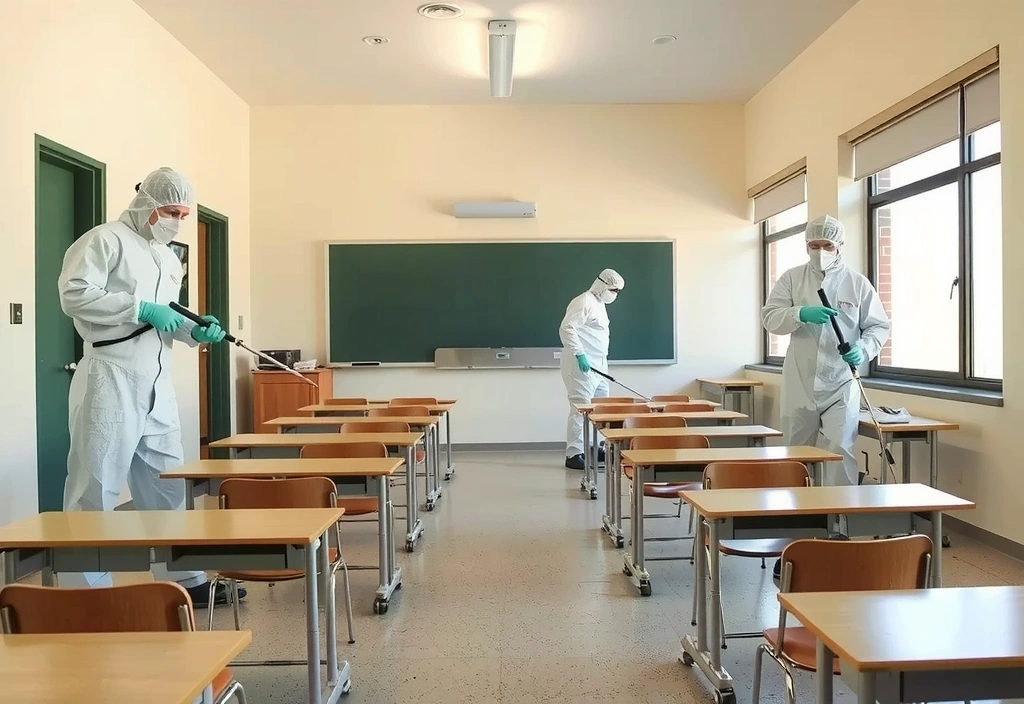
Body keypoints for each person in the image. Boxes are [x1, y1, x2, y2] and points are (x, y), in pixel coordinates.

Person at [57, 167, 244, 608]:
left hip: (157, 382)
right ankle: (85, 594)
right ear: (145, 204)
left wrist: (194, 331)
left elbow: (168, 315)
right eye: (170, 210)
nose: (176, 220)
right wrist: (139, 306)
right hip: (110, 376)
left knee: (166, 484)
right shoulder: (105, 240)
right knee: (95, 486)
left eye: (182, 213)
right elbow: (75, 294)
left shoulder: (166, 256)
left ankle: (185, 579)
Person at [762, 214, 889, 567]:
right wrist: (801, 312)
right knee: (796, 456)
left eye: (827, 246)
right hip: (800, 381)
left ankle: (838, 533)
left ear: (840, 247)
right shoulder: (791, 279)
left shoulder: (857, 284)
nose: (821, 252)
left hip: (841, 383)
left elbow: (878, 325)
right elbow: (770, 317)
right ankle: (794, 536)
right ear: (806, 246)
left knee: (839, 453)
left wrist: (863, 349)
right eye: (815, 246)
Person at [559, 269, 625, 469]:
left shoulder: (600, 305)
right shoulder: (584, 301)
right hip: (581, 366)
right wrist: (580, 354)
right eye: (613, 289)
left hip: (599, 366)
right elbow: (567, 328)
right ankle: (574, 454)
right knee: (580, 409)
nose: (615, 294)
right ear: (602, 284)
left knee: (600, 409)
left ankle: (597, 449)